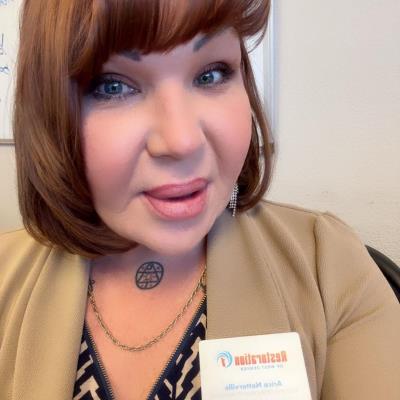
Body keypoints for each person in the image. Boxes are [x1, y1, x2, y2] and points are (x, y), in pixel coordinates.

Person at [1, 0, 400, 399]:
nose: (182, 141)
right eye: (113, 86)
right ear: (50, 111)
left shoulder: (330, 267)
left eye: (211, 74)